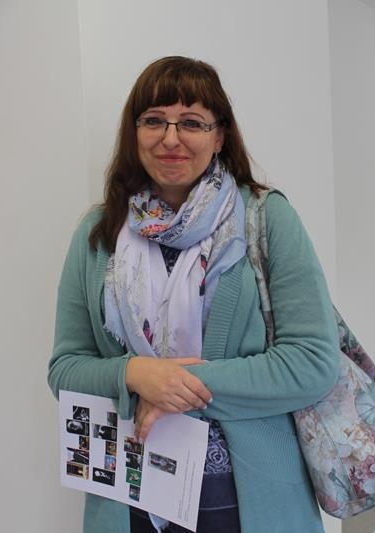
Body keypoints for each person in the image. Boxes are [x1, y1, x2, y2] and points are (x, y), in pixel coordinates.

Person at [48, 56, 340, 533]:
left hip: (247, 503)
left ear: (219, 135)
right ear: (134, 133)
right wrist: (135, 374)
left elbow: (312, 363)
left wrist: (175, 390)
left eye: (191, 122)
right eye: (154, 120)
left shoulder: (265, 218)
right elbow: (65, 371)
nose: (170, 138)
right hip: (128, 495)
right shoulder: (98, 234)